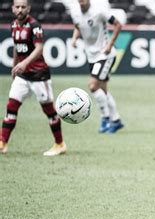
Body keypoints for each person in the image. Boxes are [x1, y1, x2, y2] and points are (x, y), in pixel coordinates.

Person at [0, 0, 66, 156]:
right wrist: (14, 66)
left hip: (39, 75)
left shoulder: (34, 26)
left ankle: (60, 144)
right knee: (11, 107)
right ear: (13, 8)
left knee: (49, 111)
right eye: (17, 7)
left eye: (23, 7)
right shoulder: (14, 25)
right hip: (23, 76)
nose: (20, 10)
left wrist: (24, 63)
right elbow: (17, 46)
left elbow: (39, 48)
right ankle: (3, 142)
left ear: (28, 8)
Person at [70, 0, 124, 133]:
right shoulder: (75, 13)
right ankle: (116, 120)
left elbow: (118, 25)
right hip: (92, 56)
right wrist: (74, 38)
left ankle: (105, 118)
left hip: (105, 55)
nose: (82, 2)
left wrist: (110, 45)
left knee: (93, 86)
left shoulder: (99, 12)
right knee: (103, 90)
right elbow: (78, 26)